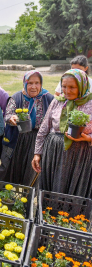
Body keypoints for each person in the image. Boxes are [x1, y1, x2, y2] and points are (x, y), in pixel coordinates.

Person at [32, 69, 92, 198]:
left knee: (73, 194)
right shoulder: (57, 101)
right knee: (50, 190)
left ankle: (70, 218)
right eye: (64, 86)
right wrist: (37, 153)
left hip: (79, 157)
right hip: (53, 154)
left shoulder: (90, 104)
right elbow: (44, 129)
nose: (67, 91)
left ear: (82, 86)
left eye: (72, 87)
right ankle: (47, 216)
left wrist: (88, 138)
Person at [0, 71, 54, 186]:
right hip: (17, 138)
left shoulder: (48, 98)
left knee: (31, 172)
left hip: (37, 140)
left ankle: (26, 199)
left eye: (37, 83)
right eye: (30, 83)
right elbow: (7, 115)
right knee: (10, 168)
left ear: (41, 83)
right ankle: (4, 196)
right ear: (24, 83)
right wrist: (12, 118)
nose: (34, 86)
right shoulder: (17, 97)